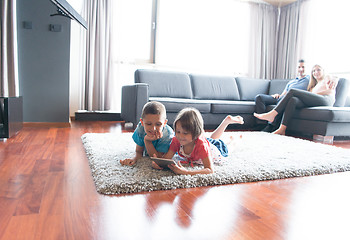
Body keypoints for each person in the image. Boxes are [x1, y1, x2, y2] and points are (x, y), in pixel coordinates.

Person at [152, 107, 244, 175]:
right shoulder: (176, 140)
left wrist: (186, 172)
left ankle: (236, 140)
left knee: (229, 148)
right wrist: (158, 163)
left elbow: (210, 169)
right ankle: (226, 122)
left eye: (185, 133)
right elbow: (167, 157)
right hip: (203, 142)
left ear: (196, 133)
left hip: (216, 150)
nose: (180, 136)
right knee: (211, 138)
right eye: (178, 131)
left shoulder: (201, 145)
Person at [254, 64, 338, 135]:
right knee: (293, 100)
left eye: (318, 70)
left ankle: (272, 114)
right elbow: (312, 96)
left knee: (292, 91)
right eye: (313, 71)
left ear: (323, 71)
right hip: (317, 100)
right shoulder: (313, 86)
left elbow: (333, 81)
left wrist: (334, 79)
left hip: (326, 100)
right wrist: (312, 94)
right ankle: (282, 129)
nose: (316, 72)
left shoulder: (326, 78)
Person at [255, 59, 310, 132]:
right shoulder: (292, 81)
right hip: (283, 97)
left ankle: (271, 125)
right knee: (259, 97)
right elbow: (284, 93)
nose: (301, 69)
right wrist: (277, 95)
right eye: (299, 67)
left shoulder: (309, 80)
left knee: (283, 99)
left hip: (292, 99)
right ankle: (261, 124)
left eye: (303, 67)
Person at [120, 101, 174, 166]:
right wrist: (135, 158)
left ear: (164, 123)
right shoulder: (140, 128)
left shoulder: (167, 134)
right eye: (149, 124)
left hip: (161, 154)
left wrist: (147, 141)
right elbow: (139, 151)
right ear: (142, 122)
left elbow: (158, 159)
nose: (153, 128)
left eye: (158, 124)